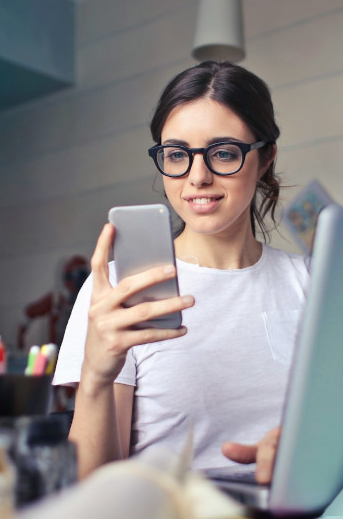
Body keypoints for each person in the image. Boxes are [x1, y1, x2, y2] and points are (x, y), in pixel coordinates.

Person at [53, 61, 310, 483]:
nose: (198, 177)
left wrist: (308, 447)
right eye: (177, 155)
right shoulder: (121, 291)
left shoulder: (311, 284)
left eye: (223, 152)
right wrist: (97, 376)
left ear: (265, 159)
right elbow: (94, 493)